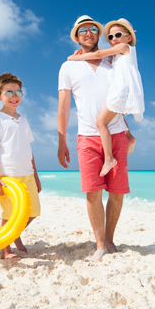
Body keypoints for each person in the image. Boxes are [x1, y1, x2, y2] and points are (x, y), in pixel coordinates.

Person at [58, 15, 130, 262]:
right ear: (77, 37)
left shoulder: (113, 59)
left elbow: (120, 97)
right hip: (87, 136)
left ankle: (110, 240)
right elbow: (64, 106)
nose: (88, 33)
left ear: (98, 34)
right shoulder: (68, 66)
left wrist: (128, 130)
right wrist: (61, 141)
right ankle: (100, 244)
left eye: (92, 29)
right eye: (82, 30)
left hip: (117, 132)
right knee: (93, 192)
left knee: (117, 192)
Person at [68, 18, 144, 177]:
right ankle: (129, 137)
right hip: (123, 90)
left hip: (121, 90)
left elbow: (100, 53)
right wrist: (81, 53)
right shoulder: (117, 55)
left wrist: (75, 58)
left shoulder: (125, 47)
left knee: (101, 121)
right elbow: (101, 58)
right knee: (116, 113)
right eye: (110, 37)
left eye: (118, 34)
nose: (114, 39)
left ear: (129, 37)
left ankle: (109, 158)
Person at [0, 72, 42, 259]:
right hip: (8, 175)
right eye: (8, 92)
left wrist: (36, 175)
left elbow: (29, 149)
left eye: (18, 92)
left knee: (33, 211)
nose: (14, 96)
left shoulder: (23, 120)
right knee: (9, 215)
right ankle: (6, 250)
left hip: (27, 173)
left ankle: (15, 234)